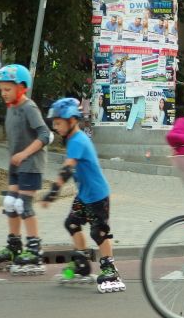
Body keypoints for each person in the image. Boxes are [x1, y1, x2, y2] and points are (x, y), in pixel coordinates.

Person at [41, 98, 124, 292]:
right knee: (72, 223)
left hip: (97, 196)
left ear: (72, 121)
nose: (55, 127)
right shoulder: (73, 139)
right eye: (54, 123)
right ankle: (81, 261)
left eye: (58, 123)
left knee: (99, 232)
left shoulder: (78, 140)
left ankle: (110, 270)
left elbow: (67, 169)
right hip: (84, 196)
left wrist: (53, 192)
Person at [0, 64, 51, 274]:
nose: (3, 93)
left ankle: (34, 250)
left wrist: (24, 154)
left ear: (22, 87)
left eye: (7, 89)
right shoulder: (11, 108)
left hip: (31, 164)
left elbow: (45, 135)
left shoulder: (29, 107)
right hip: (15, 165)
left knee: (23, 205)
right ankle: (14, 246)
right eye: (1, 90)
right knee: (10, 203)